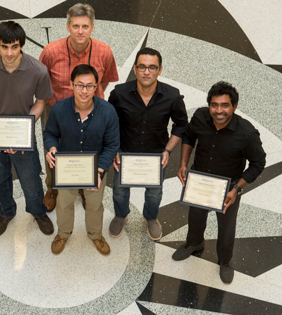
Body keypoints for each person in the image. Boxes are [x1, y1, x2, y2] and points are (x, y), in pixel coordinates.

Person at [172, 81, 266, 284]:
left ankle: (225, 260)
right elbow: (189, 137)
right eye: (214, 105)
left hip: (228, 187)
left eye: (225, 105)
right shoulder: (200, 116)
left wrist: (236, 189)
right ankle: (194, 244)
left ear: (234, 106)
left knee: (226, 226)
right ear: (209, 105)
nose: (219, 110)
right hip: (199, 180)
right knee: (195, 217)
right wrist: (183, 164)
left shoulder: (247, 133)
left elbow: (258, 163)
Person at [0, 21, 54, 236]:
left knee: (31, 178)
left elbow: (41, 102)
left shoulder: (38, 70)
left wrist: (23, 131)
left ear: (21, 46)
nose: (9, 52)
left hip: (22, 135)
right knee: (0, 178)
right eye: (4, 46)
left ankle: (38, 212)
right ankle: (6, 211)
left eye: (14, 46)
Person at [39, 3, 119, 212]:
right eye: (76, 26)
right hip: (57, 111)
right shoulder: (50, 52)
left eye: (85, 26)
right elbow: (42, 82)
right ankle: (52, 188)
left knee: (91, 149)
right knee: (53, 151)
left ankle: (85, 187)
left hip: (91, 111)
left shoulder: (104, 51)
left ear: (92, 27)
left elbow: (105, 81)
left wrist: (88, 96)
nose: (80, 31)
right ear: (67, 26)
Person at [108, 48, 188, 240]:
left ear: (160, 70)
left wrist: (168, 150)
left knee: (154, 193)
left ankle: (150, 218)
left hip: (156, 156)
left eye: (152, 67)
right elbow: (108, 122)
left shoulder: (172, 96)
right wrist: (114, 150)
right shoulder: (119, 93)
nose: (146, 72)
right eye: (142, 66)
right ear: (134, 69)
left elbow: (181, 125)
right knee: (119, 190)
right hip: (125, 153)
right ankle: (121, 214)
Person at [44, 65, 120, 255]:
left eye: (89, 86)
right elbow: (50, 133)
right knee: (64, 203)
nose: (84, 91)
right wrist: (52, 147)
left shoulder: (108, 112)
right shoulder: (59, 109)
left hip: (95, 170)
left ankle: (95, 235)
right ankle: (63, 233)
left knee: (94, 205)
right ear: (71, 85)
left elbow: (112, 145)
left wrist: (100, 170)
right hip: (67, 169)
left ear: (96, 87)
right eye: (79, 85)